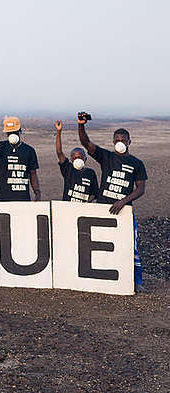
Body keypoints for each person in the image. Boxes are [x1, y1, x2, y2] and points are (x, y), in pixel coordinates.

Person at [77, 111, 147, 290]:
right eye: (117, 139)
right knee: (101, 242)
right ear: (113, 141)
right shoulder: (106, 157)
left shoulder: (136, 163)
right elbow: (86, 143)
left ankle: (136, 282)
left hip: (124, 211)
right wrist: (81, 124)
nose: (120, 142)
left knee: (131, 246)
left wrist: (123, 201)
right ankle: (104, 278)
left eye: (123, 139)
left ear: (129, 142)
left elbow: (141, 189)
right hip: (103, 209)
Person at [0, 116, 41, 202]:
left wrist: (37, 193)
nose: (12, 135)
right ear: (6, 134)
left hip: (23, 198)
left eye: (14, 132)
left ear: (20, 131)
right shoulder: (0, 146)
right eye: (9, 133)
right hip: (5, 198)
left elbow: (33, 173)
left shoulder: (29, 150)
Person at [54, 120, 98, 203]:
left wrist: (89, 200)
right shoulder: (68, 169)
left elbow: (95, 193)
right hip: (68, 208)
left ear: (85, 159)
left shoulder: (90, 173)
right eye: (75, 158)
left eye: (80, 157)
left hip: (83, 209)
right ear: (71, 160)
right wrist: (58, 132)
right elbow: (59, 152)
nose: (77, 159)